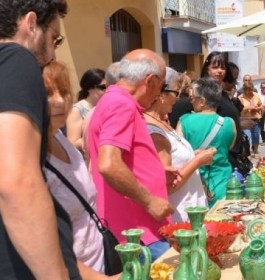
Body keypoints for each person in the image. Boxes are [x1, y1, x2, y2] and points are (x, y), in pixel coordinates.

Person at [0, 1, 80, 279]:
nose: (52, 54)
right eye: (55, 39)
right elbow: (17, 182)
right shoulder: (16, 58)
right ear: (30, 23)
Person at [88, 49, 180, 261]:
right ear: (150, 80)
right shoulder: (122, 104)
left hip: (133, 230)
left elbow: (118, 158)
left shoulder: (113, 100)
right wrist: (149, 201)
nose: (160, 93)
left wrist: (155, 170)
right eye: (162, 85)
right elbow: (108, 164)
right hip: (139, 232)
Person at [43, 61, 119, 279]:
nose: (59, 100)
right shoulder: (28, 158)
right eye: (48, 92)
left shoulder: (60, 137)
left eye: (64, 91)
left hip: (99, 262)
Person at [145, 67, 216, 222]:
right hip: (180, 216)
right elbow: (169, 186)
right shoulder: (154, 132)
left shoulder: (162, 122)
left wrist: (193, 155)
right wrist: (198, 162)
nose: (177, 99)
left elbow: (176, 160)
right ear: (162, 95)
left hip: (191, 211)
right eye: (176, 92)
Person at [178, 78, 236, 207]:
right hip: (223, 183)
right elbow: (230, 146)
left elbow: (180, 153)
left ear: (202, 101)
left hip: (196, 186)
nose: (190, 101)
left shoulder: (184, 121)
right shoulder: (229, 122)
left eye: (192, 98)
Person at [67, 68, 106, 153]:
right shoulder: (77, 110)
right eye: (103, 87)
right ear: (90, 88)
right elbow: (72, 142)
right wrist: (98, 138)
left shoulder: (106, 106)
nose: (106, 90)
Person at [239, 82, 263, 157]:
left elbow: (261, 105)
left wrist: (257, 108)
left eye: (251, 89)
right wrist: (248, 108)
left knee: (256, 136)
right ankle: (247, 152)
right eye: (248, 90)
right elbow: (239, 109)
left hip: (255, 119)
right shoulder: (240, 97)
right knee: (247, 136)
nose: (250, 91)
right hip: (245, 120)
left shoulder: (255, 95)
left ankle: (255, 151)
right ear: (244, 90)